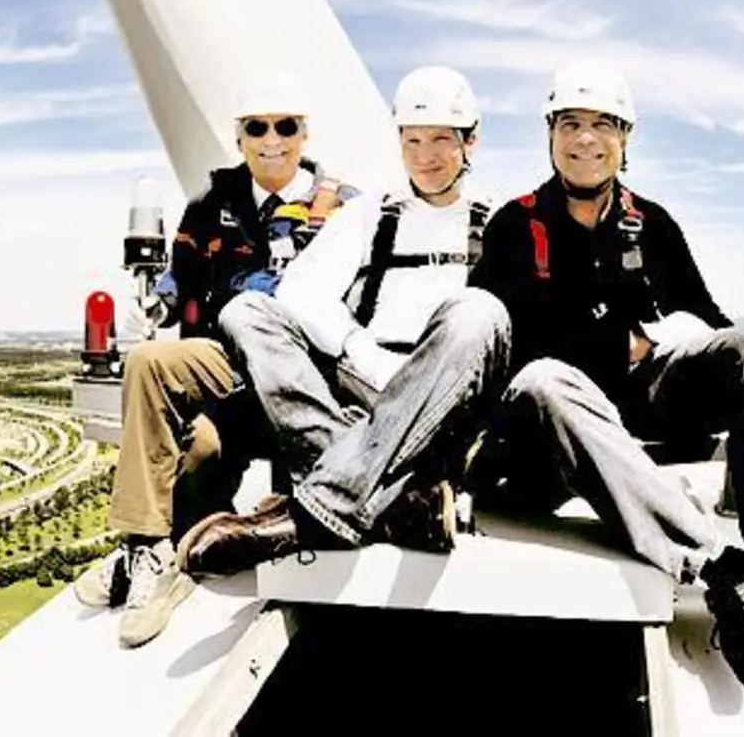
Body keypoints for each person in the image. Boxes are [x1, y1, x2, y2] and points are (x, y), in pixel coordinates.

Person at [465, 63, 744, 689]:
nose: (586, 140)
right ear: (550, 134)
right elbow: (510, 341)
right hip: (561, 420)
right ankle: (718, 568)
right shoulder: (514, 226)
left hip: (646, 397)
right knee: (546, 379)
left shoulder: (651, 223)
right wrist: (619, 340)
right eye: (571, 125)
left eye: (602, 125)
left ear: (625, 137)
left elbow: (712, 320)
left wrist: (667, 339)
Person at [174, 65, 512, 575]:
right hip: (367, 377)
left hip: (451, 397)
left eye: (442, 139)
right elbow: (299, 292)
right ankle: (395, 505)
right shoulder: (372, 214)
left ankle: (322, 503)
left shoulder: (502, 220)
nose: (426, 156)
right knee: (247, 311)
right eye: (413, 140)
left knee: (477, 311)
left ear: (472, 141)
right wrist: (360, 349)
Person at [71, 71, 359, 648]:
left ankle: (181, 549)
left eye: (286, 127)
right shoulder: (212, 203)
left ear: (304, 135)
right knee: (149, 361)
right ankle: (144, 549)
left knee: (200, 450)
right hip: (224, 364)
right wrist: (156, 304)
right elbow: (180, 277)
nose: (271, 139)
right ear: (240, 137)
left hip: (303, 371)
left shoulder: (342, 207)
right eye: (257, 127)